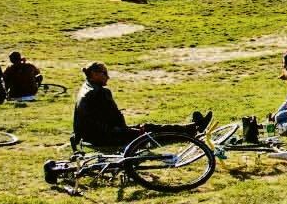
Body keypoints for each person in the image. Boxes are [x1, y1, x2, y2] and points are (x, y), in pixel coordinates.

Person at [73, 63, 208, 150]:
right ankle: (192, 131)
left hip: (91, 135)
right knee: (149, 131)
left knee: (147, 127)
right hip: (104, 137)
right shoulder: (100, 92)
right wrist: (130, 131)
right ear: (94, 74)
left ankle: (192, 128)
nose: (108, 77)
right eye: (104, 73)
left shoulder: (86, 88)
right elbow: (115, 118)